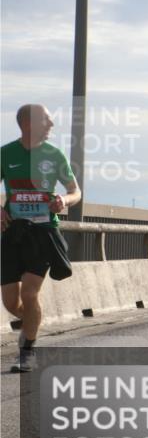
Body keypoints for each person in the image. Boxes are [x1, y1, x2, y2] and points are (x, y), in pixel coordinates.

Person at [1, 104, 80, 372]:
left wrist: (64, 200)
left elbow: (74, 190)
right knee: (11, 302)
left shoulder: (54, 155)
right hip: (13, 232)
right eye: (47, 119)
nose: (52, 124)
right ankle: (33, 325)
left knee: (30, 292)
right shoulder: (6, 153)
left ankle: (27, 352)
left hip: (44, 232)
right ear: (29, 123)